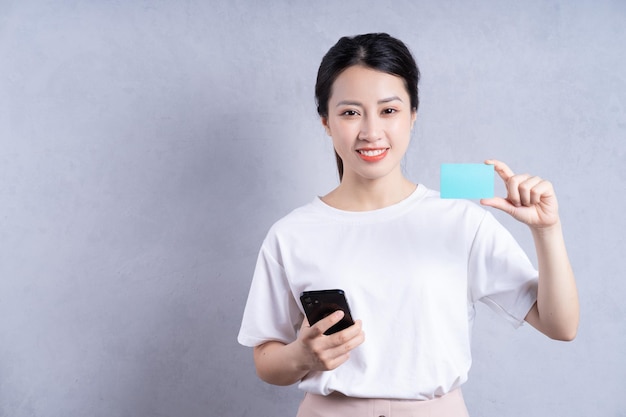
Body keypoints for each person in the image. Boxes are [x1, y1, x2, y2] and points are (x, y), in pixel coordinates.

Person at [237, 33, 579, 417]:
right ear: (326, 122)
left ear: (413, 115)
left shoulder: (458, 220)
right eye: (350, 112)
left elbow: (560, 325)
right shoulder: (291, 233)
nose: (370, 131)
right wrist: (301, 356)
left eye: (389, 110)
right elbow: (265, 359)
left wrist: (546, 231)